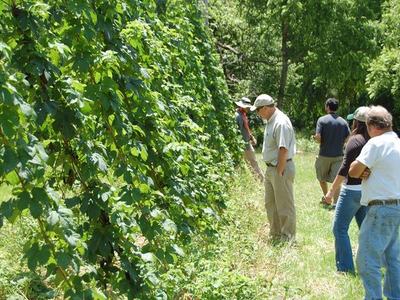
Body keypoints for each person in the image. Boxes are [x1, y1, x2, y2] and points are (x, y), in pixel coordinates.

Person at [349, 105, 400, 300]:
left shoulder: (376, 143)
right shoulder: (397, 142)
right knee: (392, 258)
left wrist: (363, 169)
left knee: (367, 260)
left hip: (380, 208)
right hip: (396, 205)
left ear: (371, 126)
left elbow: (353, 171)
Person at [324, 106, 370, 273]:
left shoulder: (354, 140)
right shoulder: (373, 141)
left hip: (351, 191)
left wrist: (330, 192)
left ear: (356, 122)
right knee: (365, 230)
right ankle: (370, 264)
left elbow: (344, 170)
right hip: (367, 191)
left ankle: (345, 268)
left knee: (339, 229)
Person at [251, 94, 296, 241]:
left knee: (284, 204)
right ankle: (276, 233)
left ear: (265, 108)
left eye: (258, 110)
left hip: (280, 167)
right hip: (271, 168)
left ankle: (288, 236)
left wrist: (280, 170)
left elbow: (283, 149)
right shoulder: (271, 120)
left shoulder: (280, 122)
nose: (257, 114)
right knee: (270, 203)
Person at [313, 98, 350, 205]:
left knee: (321, 177)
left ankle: (326, 197)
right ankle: (336, 202)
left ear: (327, 107)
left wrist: (316, 139)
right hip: (339, 155)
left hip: (324, 155)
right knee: (337, 180)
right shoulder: (343, 121)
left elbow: (318, 137)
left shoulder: (322, 120)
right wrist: (341, 143)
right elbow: (348, 137)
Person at [235, 97, 264, 182]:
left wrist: (251, 137)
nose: (248, 108)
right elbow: (238, 132)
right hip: (244, 145)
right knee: (253, 164)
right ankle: (262, 181)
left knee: (251, 163)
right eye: (246, 106)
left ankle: (261, 181)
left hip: (246, 143)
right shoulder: (238, 116)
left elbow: (246, 129)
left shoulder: (242, 114)